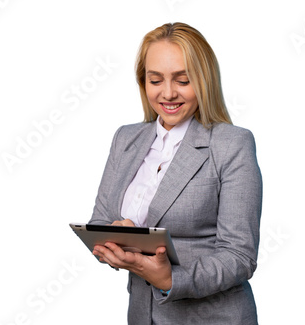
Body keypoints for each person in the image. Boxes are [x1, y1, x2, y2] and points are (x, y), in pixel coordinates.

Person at [89, 22, 262, 324]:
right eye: (155, 80)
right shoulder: (126, 139)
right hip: (144, 316)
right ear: (143, 82)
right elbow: (101, 222)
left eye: (182, 80)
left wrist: (171, 278)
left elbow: (239, 256)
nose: (168, 94)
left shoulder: (231, 144)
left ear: (204, 80)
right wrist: (116, 245)